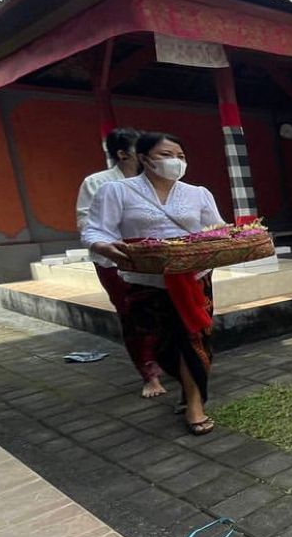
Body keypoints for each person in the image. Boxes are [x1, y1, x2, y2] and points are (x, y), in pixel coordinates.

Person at [82, 132, 224, 435]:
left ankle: (195, 403)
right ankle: (185, 383)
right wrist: (104, 247)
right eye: (167, 154)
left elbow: (217, 231)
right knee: (160, 343)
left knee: (194, 339)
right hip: (145, 280)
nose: (176, 161)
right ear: (144, 158)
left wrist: (235, 240)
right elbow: (95, 231)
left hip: (193, 278)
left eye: (181, 156)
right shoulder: (116, 192)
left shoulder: (198, 193)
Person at [76, 127, 167, 399]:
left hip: (151, 259)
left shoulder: (150, 181)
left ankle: (165, 360)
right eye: (140, 149)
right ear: (122, 153)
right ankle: (148, 374)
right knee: (133, 315)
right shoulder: (97, 183)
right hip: (115, 261)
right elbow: (86, 224)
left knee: (160, 311)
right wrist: (109, 245)